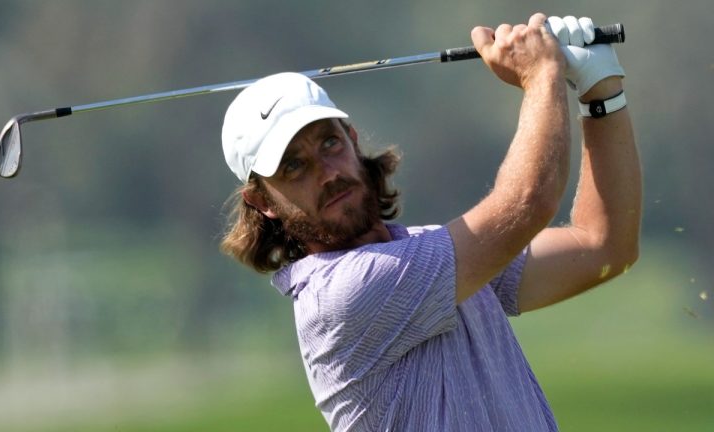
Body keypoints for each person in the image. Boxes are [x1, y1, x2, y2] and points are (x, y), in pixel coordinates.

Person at [219, 13, 641, 432]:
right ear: (261, 201)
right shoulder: (341, 296)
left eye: (329, 142)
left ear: (351, 138)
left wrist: (600, 95)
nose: (328, 173)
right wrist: (541, 73)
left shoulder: (433, 255)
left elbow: (603, 247)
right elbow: (528, 203)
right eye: (295, 166)